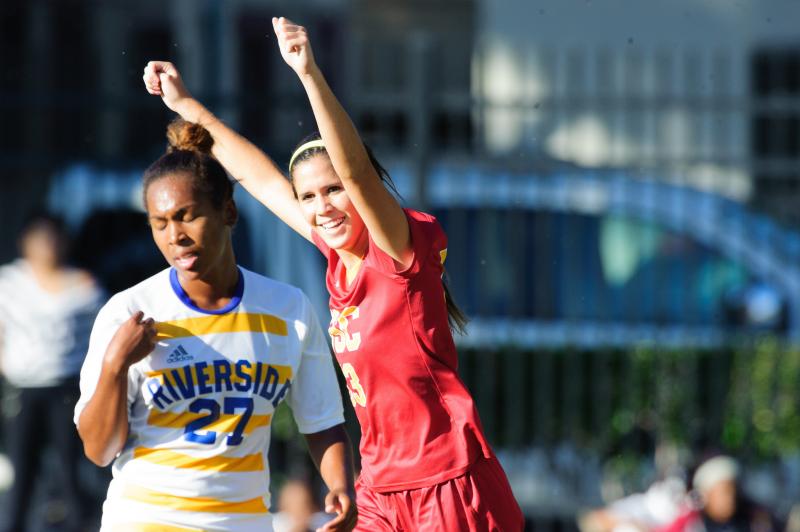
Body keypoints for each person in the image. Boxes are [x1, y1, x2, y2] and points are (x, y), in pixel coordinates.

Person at [143, 15, 524, 531]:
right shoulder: (334, 253)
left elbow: (357, 173)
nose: (321, 206)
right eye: (309, 197)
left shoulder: (395, 252)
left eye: (332, 190)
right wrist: (187, 106)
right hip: (380, 486)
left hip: (445, 481)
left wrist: (308, 74)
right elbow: (258, 177)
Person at [73, 119, 357, 531]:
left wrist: (341, 485)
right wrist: (116, 364)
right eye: (160, 223)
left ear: (228, 210)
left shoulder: (289, 309)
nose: (176, 236)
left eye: (187, 216)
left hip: (244, 522)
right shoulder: (129, 312)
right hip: (145, 519)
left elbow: (323, 422)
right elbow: (99, 451)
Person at [0, 212, 105, 532]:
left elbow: (101, 341)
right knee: (22, 471)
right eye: (40, 239)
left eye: (54, 238)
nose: (48, 246)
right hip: (23, 389)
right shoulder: (8, 283)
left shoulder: (86, 287)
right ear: (25, 244)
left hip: (67, 389)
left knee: (73, 471)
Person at [660, 455, 781, 532]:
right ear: (707, 495)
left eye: (732, 491)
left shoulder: (756, 522)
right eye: (723, 492)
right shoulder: (691, 526)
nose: (729, 498)